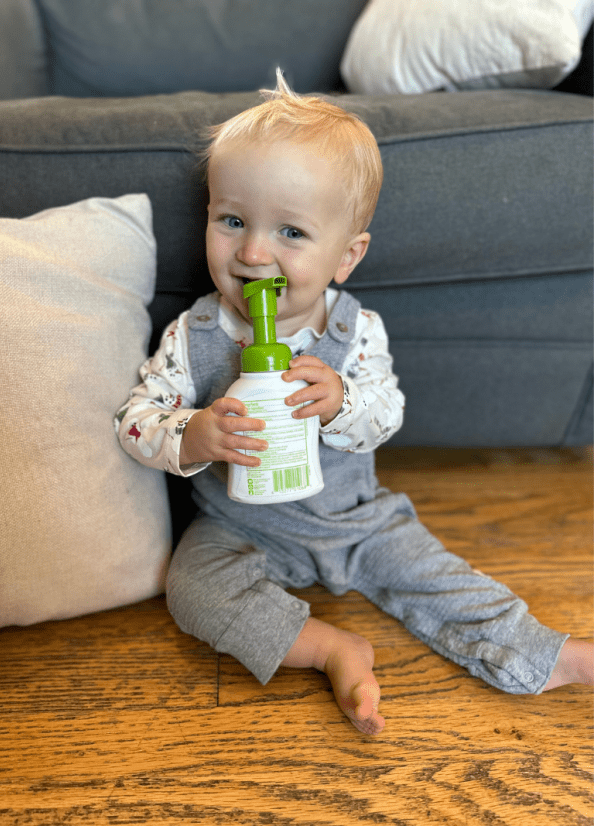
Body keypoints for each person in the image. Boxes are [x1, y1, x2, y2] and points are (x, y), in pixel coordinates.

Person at [115, 72, 593, 735]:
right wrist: (191, 434)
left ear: (346, 256)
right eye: (231, 221)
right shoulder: (193, 335)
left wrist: (340, 405)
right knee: (192, 592)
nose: (253, 252)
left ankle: (550, 654)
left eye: (290, 232)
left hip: (354, 518)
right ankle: (328, 648)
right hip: (240, 525)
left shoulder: (353, 331)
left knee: (434, 575)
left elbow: (387, 413)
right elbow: (135, 421)